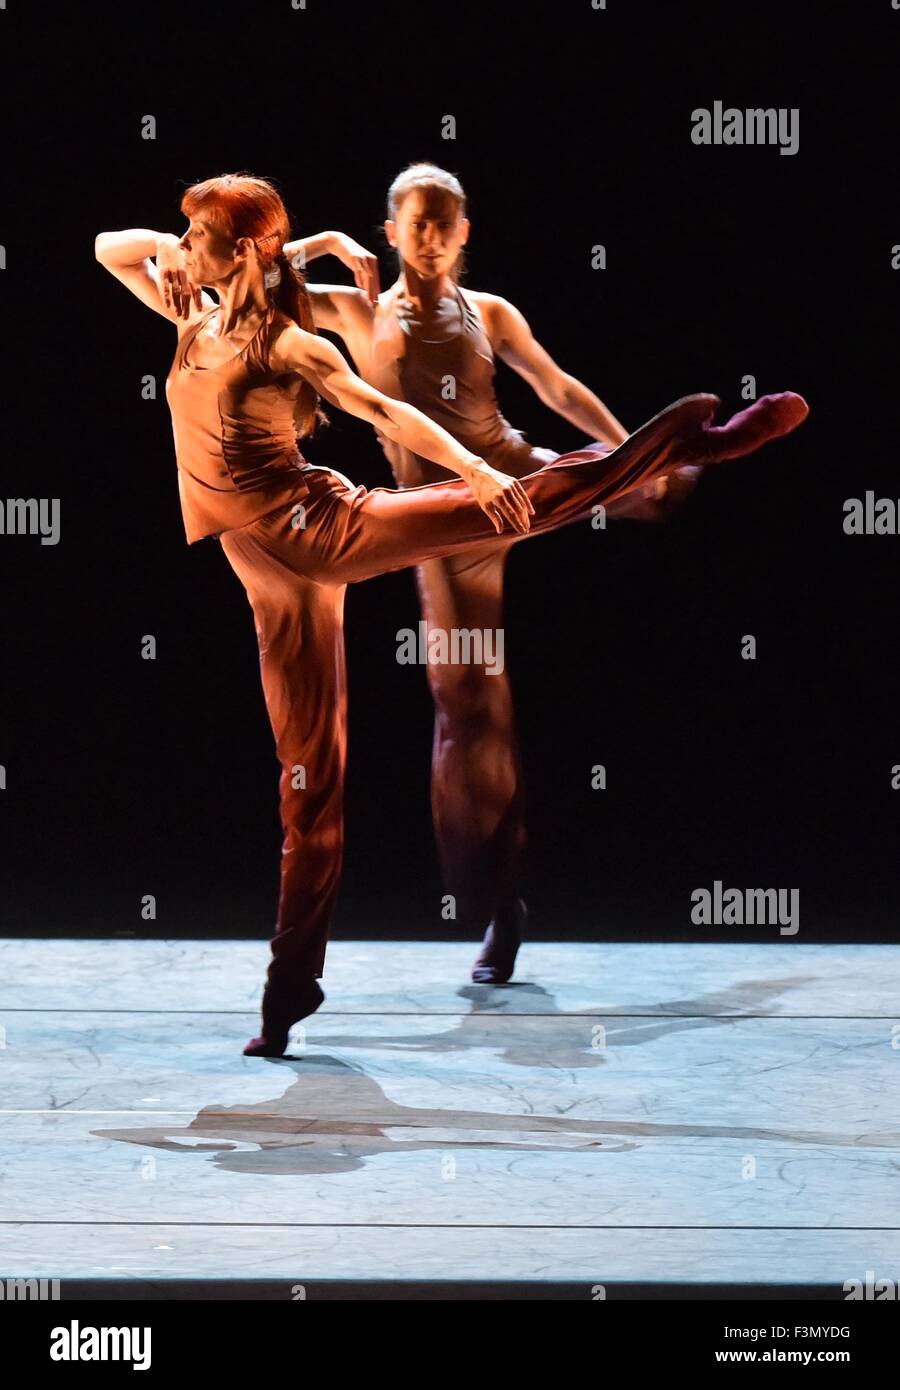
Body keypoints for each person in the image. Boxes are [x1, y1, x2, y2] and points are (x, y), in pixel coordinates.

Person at [95, 172, 808, 1057]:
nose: (179, 247)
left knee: (510, 502)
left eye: (193, 236)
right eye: (186, 238)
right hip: (275, 581)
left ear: (236, 250)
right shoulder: (190, 318)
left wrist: (474, 471)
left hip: (327, 529)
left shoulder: (288, 344)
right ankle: (288, 991)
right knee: (308, 786)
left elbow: (382, 406)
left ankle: (680, 448)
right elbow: (106, 247)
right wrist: (300, 248)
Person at [285, 163, 704, 986]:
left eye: (446, 222)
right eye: (417, 222)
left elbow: (555, 385)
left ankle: (672, 463)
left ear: (466, 231)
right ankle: (501, 903)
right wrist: (321, 243)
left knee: (635, 488)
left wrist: (633, 458)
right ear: (392, 233)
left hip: (513, 477)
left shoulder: (492, 315)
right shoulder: (352, 311)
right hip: (443, 521)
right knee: (469, 706)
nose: (432, 236)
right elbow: (260, 283)